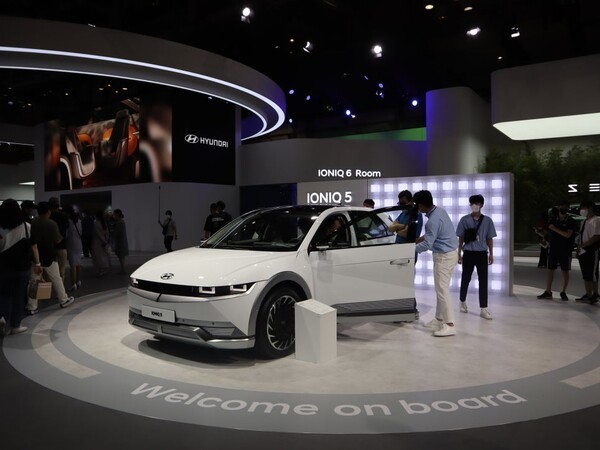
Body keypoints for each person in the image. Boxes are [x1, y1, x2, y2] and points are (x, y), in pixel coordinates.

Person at [413, 190, 459, 337]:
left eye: (416, 204)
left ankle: (450, 325)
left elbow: (428, 244)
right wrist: (418, 240)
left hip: (444, 257)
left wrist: (409, 250)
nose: (416, 208)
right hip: (449, 254)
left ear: (421, 205)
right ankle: (439, 320)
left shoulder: (432, 220)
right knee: (441, 289)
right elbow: (432, 235)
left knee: (442, 291)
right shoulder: (440, 211)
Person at [0, 199, 43, 335]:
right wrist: (38, 264)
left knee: (3, 294)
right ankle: (15, 325)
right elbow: (34, 247)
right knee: (19, 296)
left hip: (3, 268)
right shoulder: (26, 226)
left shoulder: (0, 228)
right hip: (22, 268)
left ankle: (1, 318)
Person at [27, 201, 75, 315]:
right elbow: (58, 240)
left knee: (34, 281)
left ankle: (32, 307)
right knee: (56, 278)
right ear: (48, 212)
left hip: (35, 257)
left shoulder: (32, 223)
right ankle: (63, 299)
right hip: (49, 255)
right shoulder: (51, 224)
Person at [456, 194, 497, 319]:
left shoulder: (488, 220)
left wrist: (491, 254)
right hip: (468, 253)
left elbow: (490, 238)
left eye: (477, 203)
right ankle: (462, 301)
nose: (475, 205)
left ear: (482, 205)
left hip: (482, 254)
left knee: (483, 280)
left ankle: (483, 308)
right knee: (465, 278)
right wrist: (459, 254)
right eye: (473, 203)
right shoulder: (464, 220)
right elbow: (460, 238)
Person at [537, 202, 577, 301]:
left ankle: (563, 291)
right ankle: (548, 291)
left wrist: (554, 229)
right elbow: (549, 234)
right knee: (550, 269)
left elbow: (568, 235)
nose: (563, 208)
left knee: (565, 270)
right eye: (561, 206)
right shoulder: (553, 220)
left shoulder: (571, 221)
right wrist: (541, 233)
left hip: (565, 249)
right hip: (554, 248)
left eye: (565, 206)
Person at [575, 200, 600, 304]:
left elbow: (597, 236)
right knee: (585, 273)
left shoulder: (597, 220)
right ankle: (588, 294)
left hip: (592, 250)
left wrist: (583, 245)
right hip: (583, 250)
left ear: (590, 208)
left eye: (583, 208)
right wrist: (579, 248)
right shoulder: (584, 222)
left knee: (592, 273)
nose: (582, 210)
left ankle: (595, 293)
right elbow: (581, 236)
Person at [48, 196, 68, 282]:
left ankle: (49, 288)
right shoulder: (63, 216)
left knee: (49, 271)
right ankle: (60, 289)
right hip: (62, 246)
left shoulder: (48, 216)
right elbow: (65, 231)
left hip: (49, 247)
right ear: (58, 205)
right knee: (61, 271)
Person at [65, 206, 83, 291]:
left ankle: (73, 284)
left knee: (73, 264)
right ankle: (78, 281)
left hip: (71, 243)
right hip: (79, 243)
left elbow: (66, 234)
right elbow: (81, 232)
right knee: (78, 263)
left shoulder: (68, 222)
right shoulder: (79, 221)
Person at [91, 211, 110, 276]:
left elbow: (98, 233)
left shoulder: (96, 223)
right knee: (103, 256)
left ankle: (100, 271)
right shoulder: (104, 223)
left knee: (97, 257)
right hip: (103, 241)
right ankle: (104, 270)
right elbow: (107, 232)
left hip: (97, 242)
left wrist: (103, 241)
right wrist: (106, 240)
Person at [112, 209, 129, 274]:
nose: (113, 216)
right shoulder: (121, 221)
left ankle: (123, 270)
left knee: (121, 257)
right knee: (122, 257)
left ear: (117, 214)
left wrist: (112, 235)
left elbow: (116, 233)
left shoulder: (119, 222)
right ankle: (123, 270)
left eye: (114, 214)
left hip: (120, 242)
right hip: (121, 242)